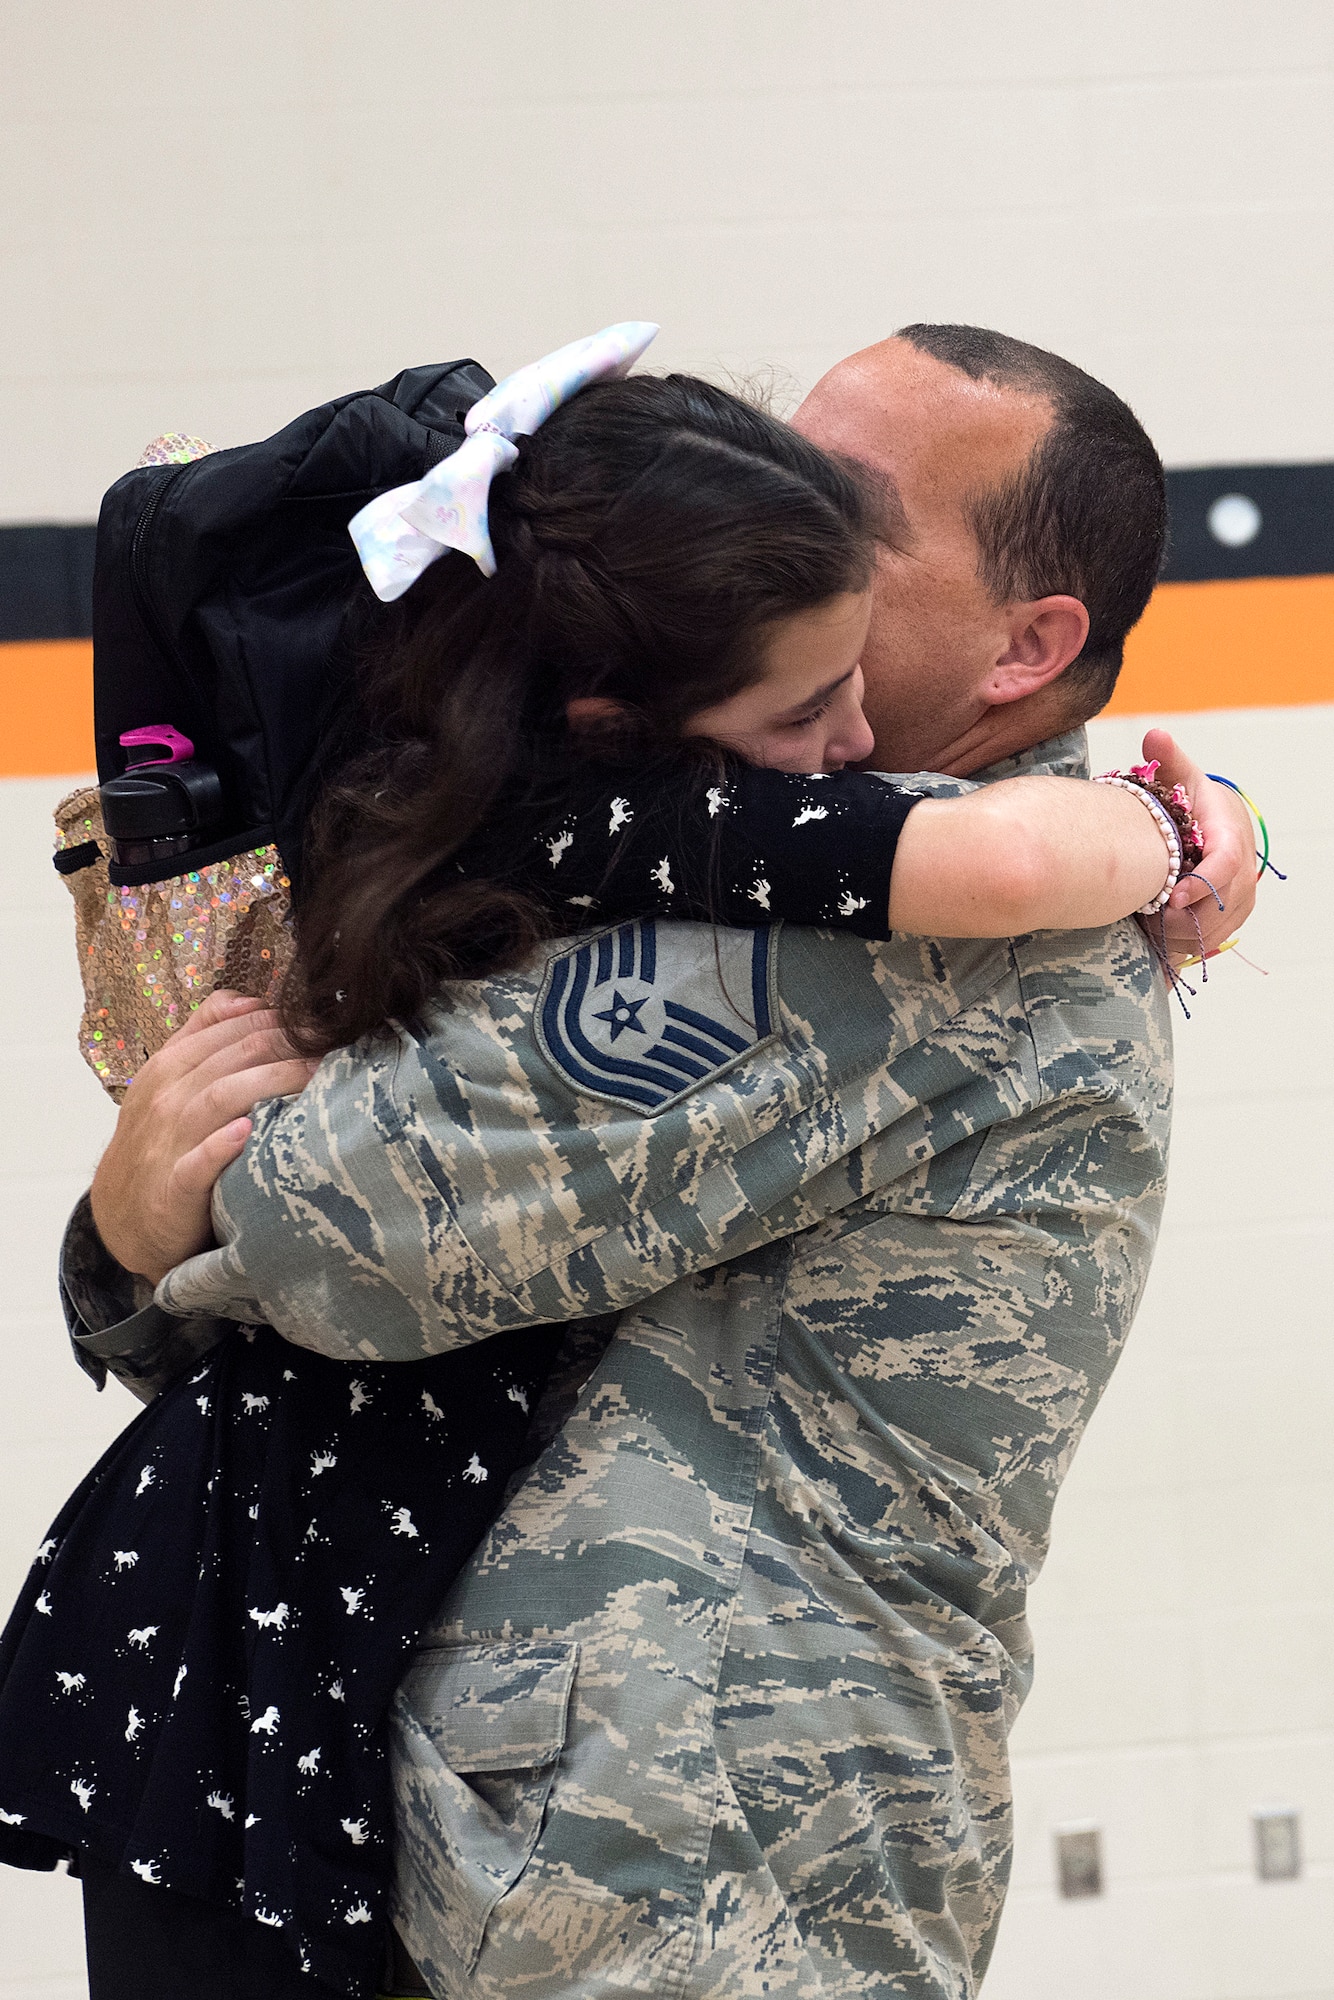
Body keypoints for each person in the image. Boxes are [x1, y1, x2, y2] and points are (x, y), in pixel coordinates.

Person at [47, 326, 1258, 1999]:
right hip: (625, 1847)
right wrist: (123, 1242)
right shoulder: (746, 852)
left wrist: (139, 1225)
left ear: (1022, 645)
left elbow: (334, 1220)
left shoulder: (912, 933)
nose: (786, 523)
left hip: (688, 1870)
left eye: (850, 504)